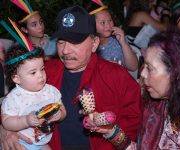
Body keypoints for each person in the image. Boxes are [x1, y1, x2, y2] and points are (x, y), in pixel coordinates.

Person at [0, 5, 142, 150]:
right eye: (61, 41)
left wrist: (113, 134)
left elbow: (135, 126)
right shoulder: (44, 72)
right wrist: (5, 130)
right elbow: (10, 102)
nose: (65, 50)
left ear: (94, 43)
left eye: (75, 42)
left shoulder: (116, 76)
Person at [1, 45, 66, 150]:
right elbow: (6, 121)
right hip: (20, 141)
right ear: (17, 78)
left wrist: (60, 114)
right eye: (33, 72)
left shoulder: (51, 91)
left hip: (42, 142)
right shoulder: (14, 98)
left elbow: (62, 109)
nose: (41, 75)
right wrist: (26, 121)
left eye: (42, 69)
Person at [88, 2, 138, 71]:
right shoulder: (86, 44)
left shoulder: (116, 43)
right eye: (103, 22)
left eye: (110, 20)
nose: (108, 25)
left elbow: (134, 67)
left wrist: (123, 42)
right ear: (91, 25)